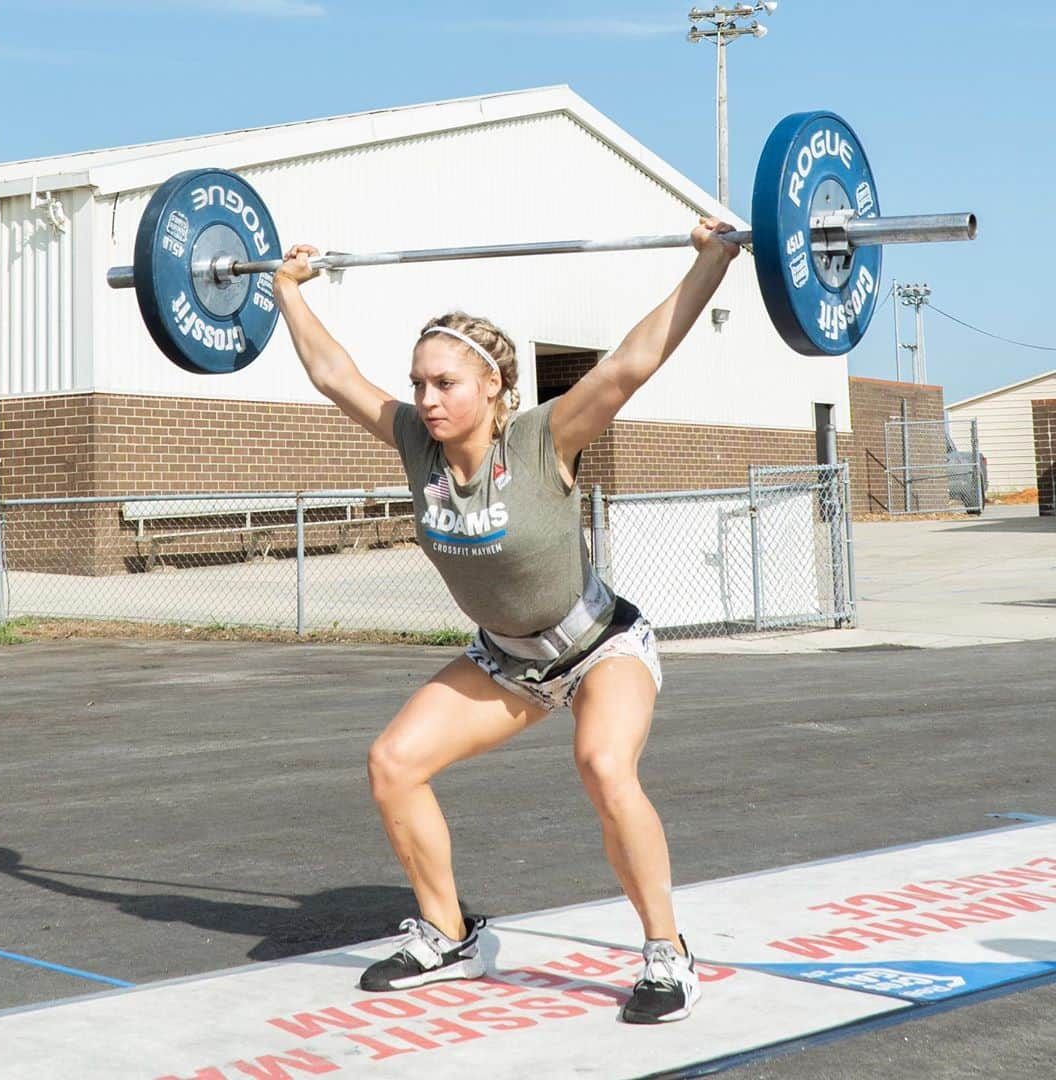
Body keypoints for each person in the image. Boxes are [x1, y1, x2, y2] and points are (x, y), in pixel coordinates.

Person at [273, 218, 739, 1024]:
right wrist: (283, 291)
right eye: (419, 382)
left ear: (492, 385)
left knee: (602, 766)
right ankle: (449, 935)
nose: (425, 399)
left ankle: (667, 953)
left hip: (599, 645)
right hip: (506, 661)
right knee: (393, 763)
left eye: (444, 383)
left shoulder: (544, 438)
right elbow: (333, 376)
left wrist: (714, 262)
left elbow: (635, 361)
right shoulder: (416, 445)